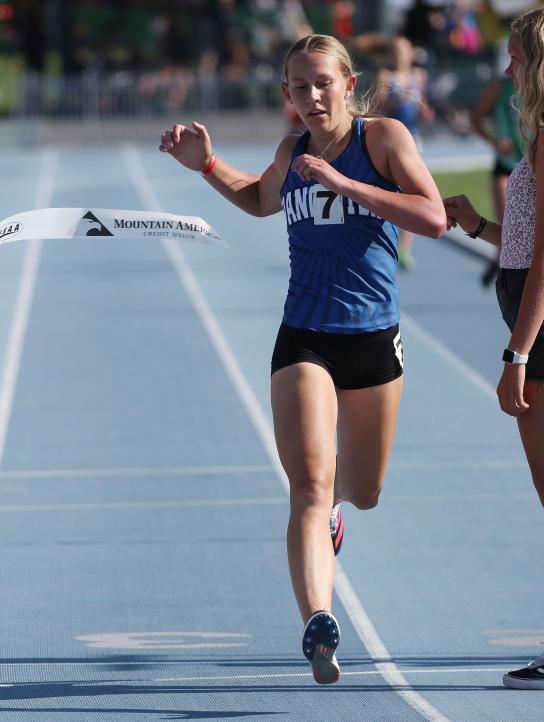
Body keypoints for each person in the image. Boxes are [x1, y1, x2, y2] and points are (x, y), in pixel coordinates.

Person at [159, 34, 446, 684]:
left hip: (372, 337)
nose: (311, 97)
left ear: (348, 84)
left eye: (322, 83)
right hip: (305, 336)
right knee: (309, 486)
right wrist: (207, 166)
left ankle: (336, 516)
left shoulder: (383, 140)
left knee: (361, 491)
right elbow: (261, 201)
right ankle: (318, 620)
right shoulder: (291, 152)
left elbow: (431, 217)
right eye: (298, 86)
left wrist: (347, 183)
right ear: (286, 94)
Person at [443, 9, 544, 691]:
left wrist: (517, 355)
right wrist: (478, 223)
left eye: (513, 57)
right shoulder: (532, 139)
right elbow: (521, 242)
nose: (505, 69)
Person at [374, 35, 434, 271]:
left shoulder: (419, 76)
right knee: (389, 191)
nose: (399, 55)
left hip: (412, 140)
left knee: (413, 194)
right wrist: (396, 99)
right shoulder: (385, 76)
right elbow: (376, 108)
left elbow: (426, 109)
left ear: (410, 53)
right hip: (389, 139)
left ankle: (405, 250)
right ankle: (383, 241)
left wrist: (423, 107)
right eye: (395, 50)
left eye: (403, 50)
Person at [470, 69, 524, 287]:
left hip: (531, 165)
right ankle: (501, 261)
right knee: (507, 223)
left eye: (515, 58)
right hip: (506, 163)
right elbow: (476, 119)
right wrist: (494, 141)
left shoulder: (537, 88)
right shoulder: (499, 87)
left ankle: (501, 259)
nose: (508, 68)